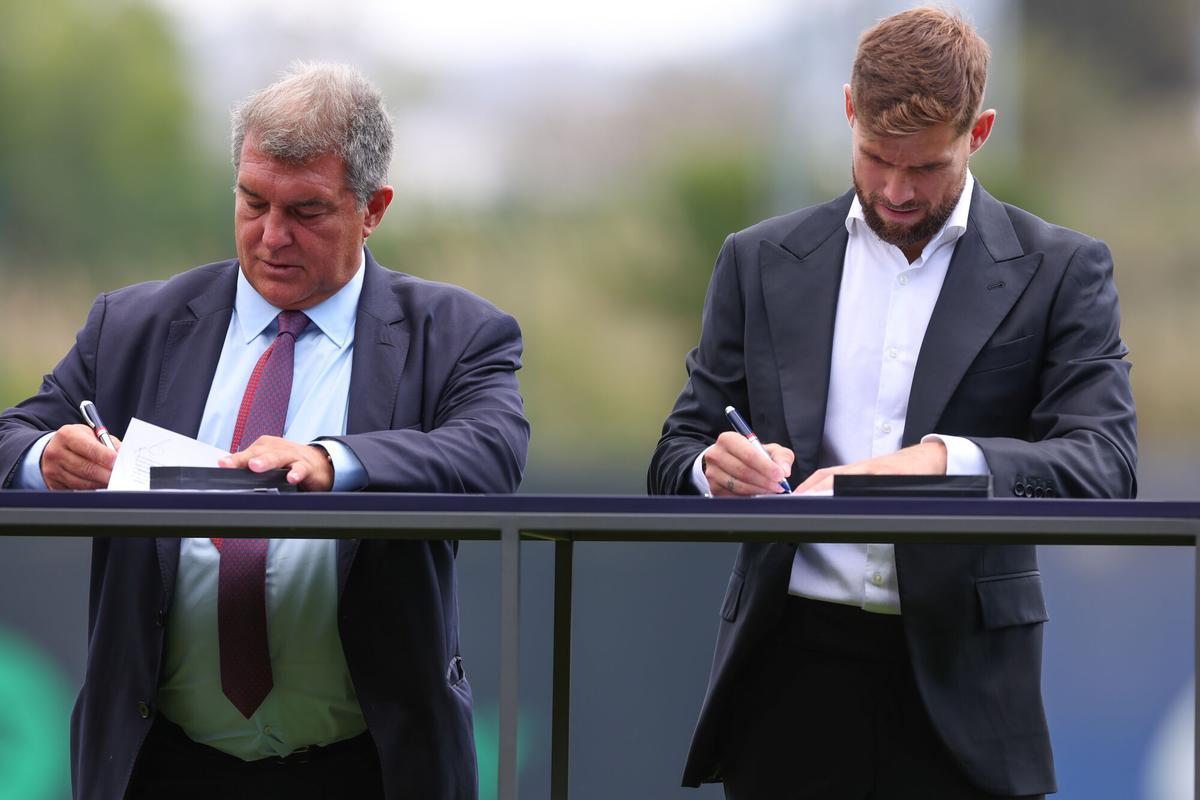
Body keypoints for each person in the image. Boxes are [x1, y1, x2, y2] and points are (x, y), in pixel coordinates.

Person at [0, 62, 529, 800]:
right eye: (253, 202)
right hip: (160, 764)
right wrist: (45, 458)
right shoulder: (133, 324)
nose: (272, 236)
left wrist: (333, 463)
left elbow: (492, 451)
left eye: (307, 211)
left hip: (369, 769)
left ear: (373, 209)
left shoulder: (455, 332)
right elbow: (15, 434)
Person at [649, 8, 1136, 799]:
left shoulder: (1063, 270)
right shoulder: (757, 259)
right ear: (849, 110)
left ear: (979, 133)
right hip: (784, 682)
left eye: (927, 167)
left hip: (969, 693)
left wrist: (935, 463)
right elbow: (676, 451)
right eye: (876, 158)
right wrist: (715, 468)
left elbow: (1105, 466)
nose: (897, 190)